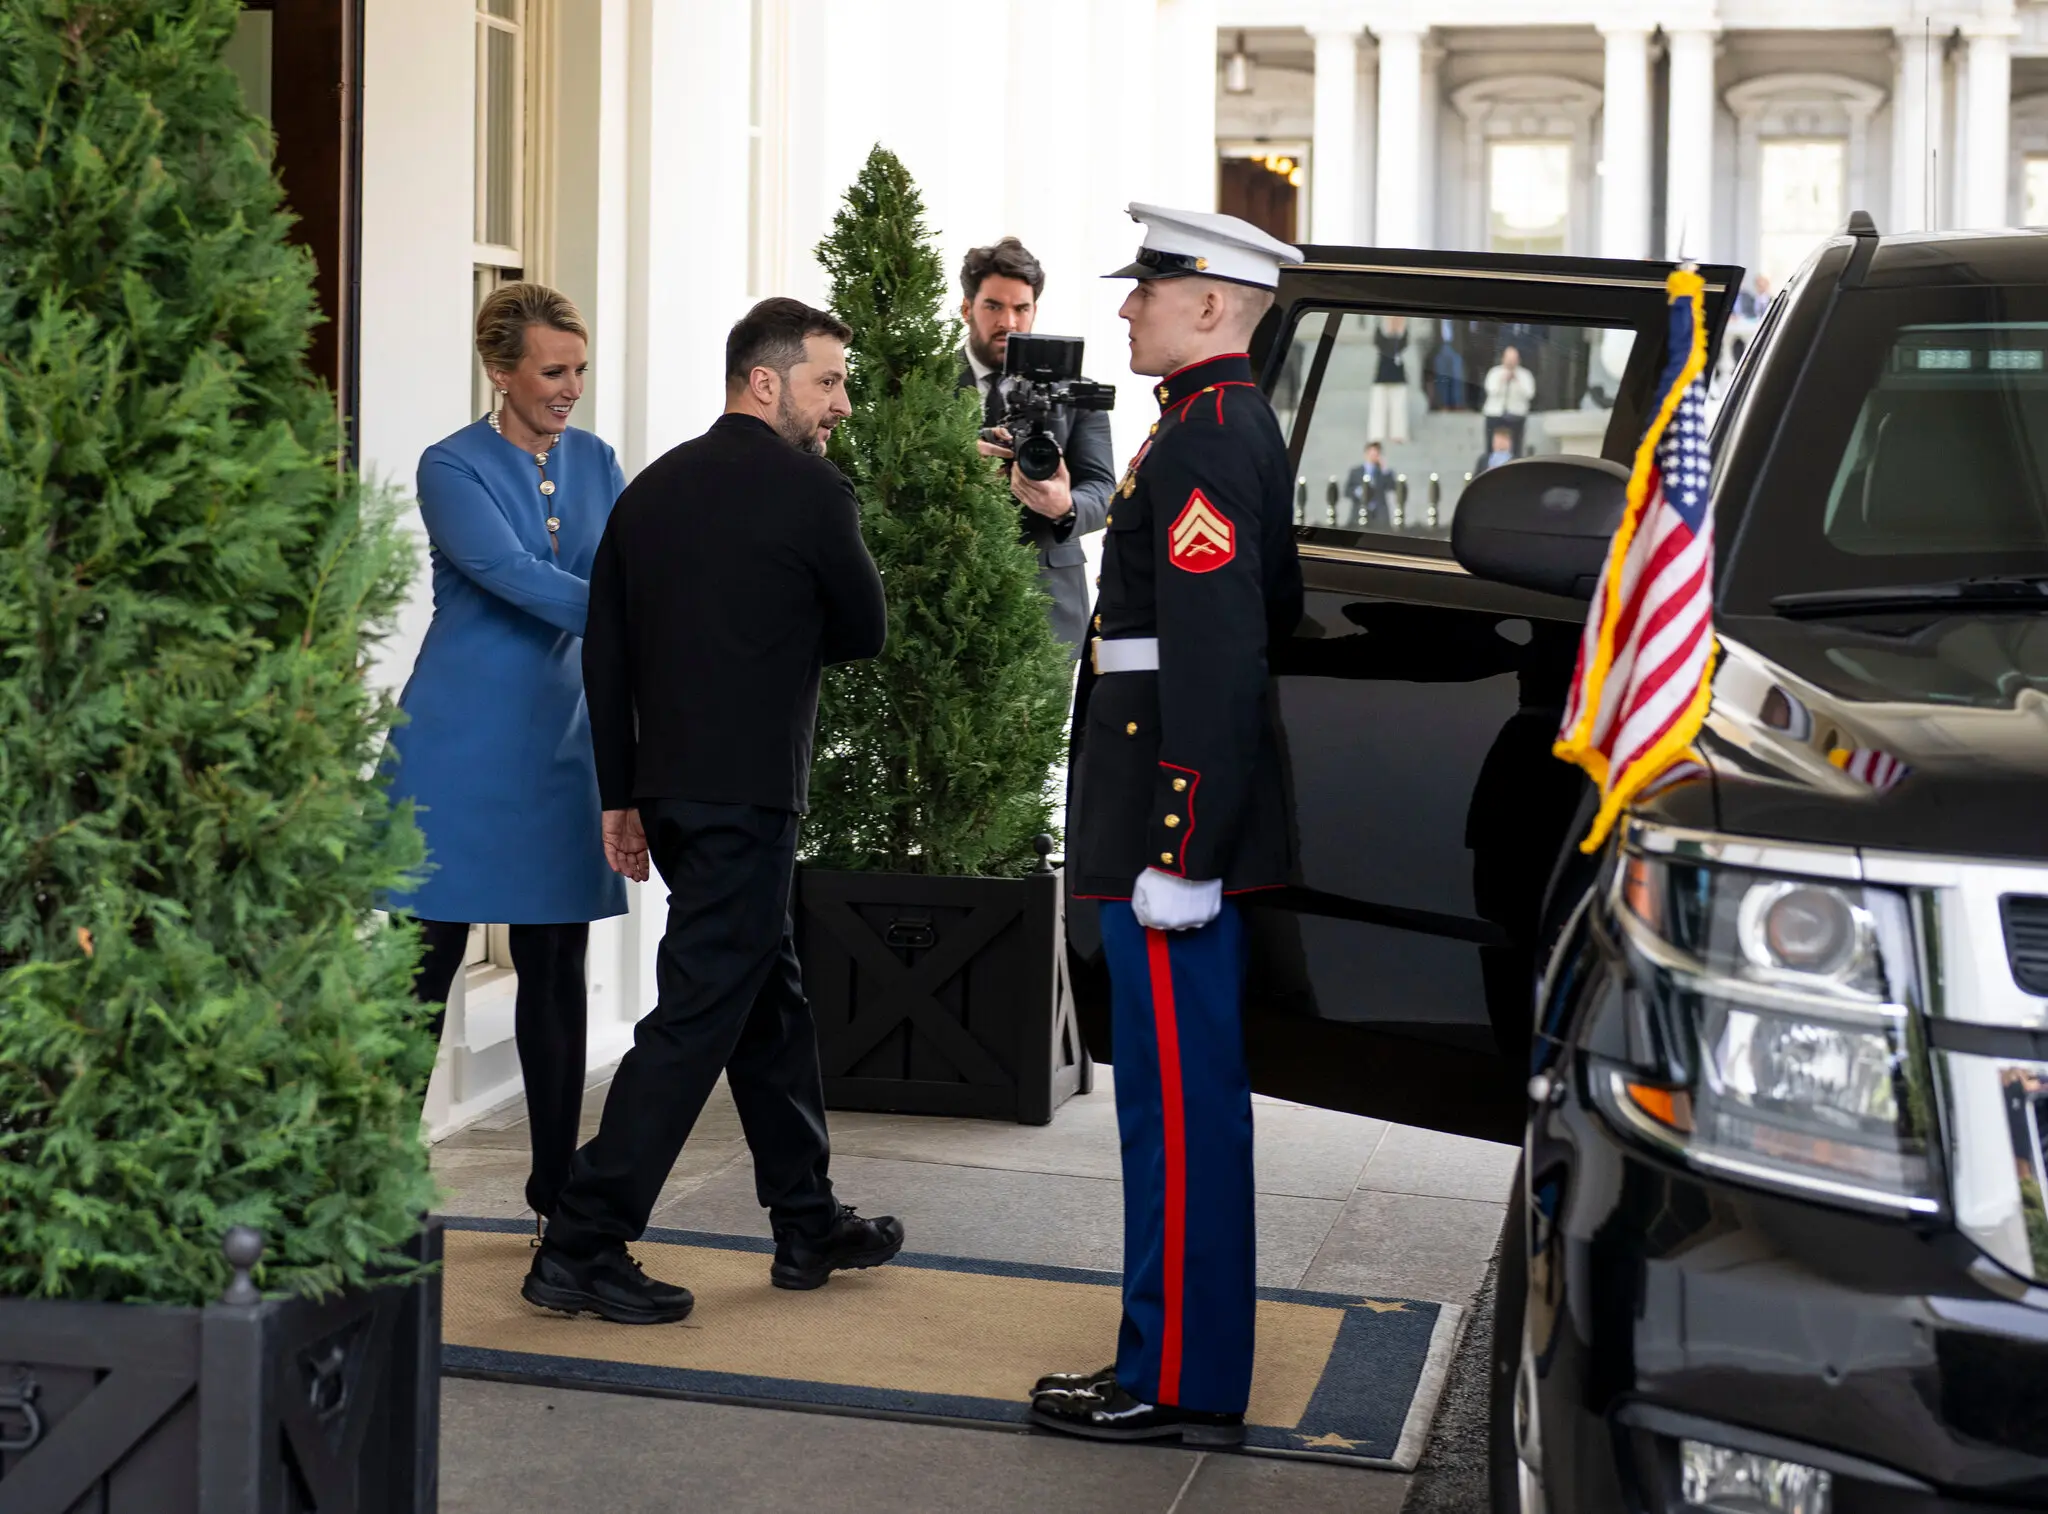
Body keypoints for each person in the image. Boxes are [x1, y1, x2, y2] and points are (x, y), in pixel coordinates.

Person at [522, 298, 900, 1326]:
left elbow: (607, 649)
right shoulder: (812, 490)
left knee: (763, 997)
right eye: (828, 381)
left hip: (671, 794)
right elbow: (863, 629)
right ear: (765, 381)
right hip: (749, 794)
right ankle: (583, 1236)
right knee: (698, 1014)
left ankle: (806, 1216)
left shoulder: (651, 489)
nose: (842, 404)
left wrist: (620, 791)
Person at [1028, 205, 1303, 1446]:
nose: (1127, 307)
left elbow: (1214, 656)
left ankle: (1177, 1374)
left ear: (1209, 304)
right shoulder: (1198, 427)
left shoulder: (1205, 439)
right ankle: (1169, 1355)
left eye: (1147, 288)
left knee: (1180, 1116)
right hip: (1153, 815)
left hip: (1165, 832)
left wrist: (1181, 850)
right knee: (1168, 1109)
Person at [386, 282, 626, 1232]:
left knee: (558, 962)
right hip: (458, 740)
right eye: (552, 370)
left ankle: (555, 1189)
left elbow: (628, 568)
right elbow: (511, 576)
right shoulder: (452, 465)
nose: (570, 387)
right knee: (425, 961)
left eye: (579, 370)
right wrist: (631, 625)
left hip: (563, 741)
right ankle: (374, 1172)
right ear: (501, 370)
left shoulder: (601, 461)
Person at [956, 237, 1118, 657]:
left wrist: (1064, 507)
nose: (1008, 321)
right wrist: (958, 464)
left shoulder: (1077, 394)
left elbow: (1104, 490)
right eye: (993, 306)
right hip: (951, 597)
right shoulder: (924, 382)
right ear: (966, 308)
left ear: (1034, 311)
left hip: (1049, 605)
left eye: (1021, 308)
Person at [1482, 344, 1536, 453]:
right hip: (1495, 413)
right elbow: (1491, 391)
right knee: (1491, 447)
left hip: (1516, 414)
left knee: (1516, 447)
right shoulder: (1494, 372)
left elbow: (1530, 394)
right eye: (1509, 359)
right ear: (1503, 359)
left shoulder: (1525, 374)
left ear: (1518, 360)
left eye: (1513, 359)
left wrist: (1517, 381)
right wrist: (1502, 380)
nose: (1511, 362)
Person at [1367, 314, 1410, 443]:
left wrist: (1402, 325)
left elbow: (1405, 340)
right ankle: (1376, 435)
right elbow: (1377, 339)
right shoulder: (1383, 342)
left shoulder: (1399, 342)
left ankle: (1398, 434)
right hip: (1382, 376)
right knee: (1378, 408)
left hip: (1398, 377)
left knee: (1399, 407)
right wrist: (1380, 322)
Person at [1343, 440, 1392, 527]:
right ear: (1366, 454)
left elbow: (1391, 486)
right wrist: (1358, 492)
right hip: (1359, 512)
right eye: (1371, 454)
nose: (1373, 456)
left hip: (1378, 514)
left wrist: (1384, 469)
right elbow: (1347, 491)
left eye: (1376, 454)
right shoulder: (1356, 471)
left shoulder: (1383, 472)